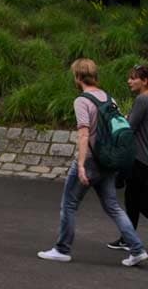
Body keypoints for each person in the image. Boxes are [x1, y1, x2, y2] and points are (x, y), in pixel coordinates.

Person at [38, 59, 148, 266]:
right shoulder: (108, 97)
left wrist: (80, 165)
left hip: (90, 159)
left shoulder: (82, 100)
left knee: (69, 204)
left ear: (78, 77)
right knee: (113, 206)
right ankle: (137, 249)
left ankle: (62, 249)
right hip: (107, 160)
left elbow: (83, 135)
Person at [113, 64, 148, 250]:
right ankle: (128, 238)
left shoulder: (143, 99)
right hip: (144, 158)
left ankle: (129, 238)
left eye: (134, 78)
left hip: (139, 158)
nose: (129, 81)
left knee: (140, 201)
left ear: (145, 81)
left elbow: (130, 128)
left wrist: (119, 118)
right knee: (132, 198)